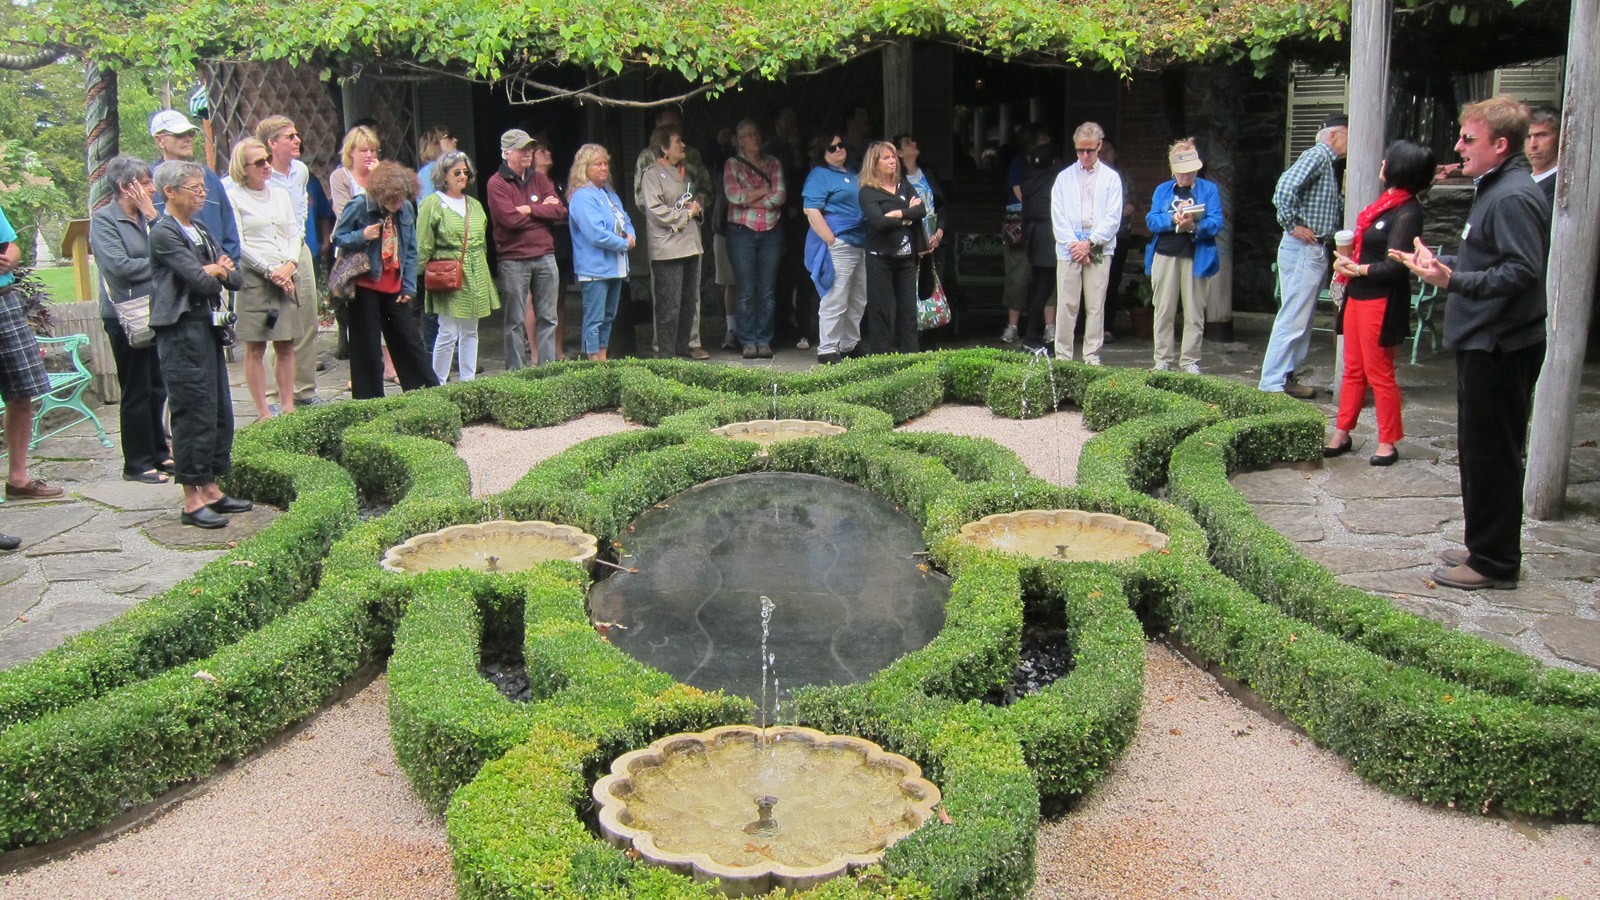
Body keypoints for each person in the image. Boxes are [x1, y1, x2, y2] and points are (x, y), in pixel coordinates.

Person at [1392, 96, 1549, 591]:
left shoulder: (1512, 196)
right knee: (1479, 449)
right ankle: (1485, 543)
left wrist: (1453, 282)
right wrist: (1446, 265)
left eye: (1469, 139)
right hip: (1486, 340)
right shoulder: (1496, 187)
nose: (1458, 147)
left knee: (1493, 453)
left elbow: (1523, 271)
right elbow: (1490, 256)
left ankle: (1496, 561)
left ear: (1501, 145)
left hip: (1500, 344)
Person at [147, 161, 249, 529]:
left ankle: (211, 487)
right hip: (180, 331)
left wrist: (219, 270)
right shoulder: (164, 233)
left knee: (218, 408)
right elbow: (201, 281)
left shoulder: (201, 228)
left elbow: (233, 276)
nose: (202, 194)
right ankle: (191, 499)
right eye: (194, 188)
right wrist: (214, 271)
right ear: (169, 192)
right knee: (192, 411)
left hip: (205, 328)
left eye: (203, 188)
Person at [1323, 140, 1434, 466]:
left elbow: (1396, 265)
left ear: (1400, 168)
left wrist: (1356, 268)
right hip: (1358, 294)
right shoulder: (1385, 204)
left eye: (1388, 160)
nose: (1381, 164)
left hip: (1381, 300)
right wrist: (1346, 262)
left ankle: (1388, 441)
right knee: (1352, 369)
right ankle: (1342, 432)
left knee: (1379, 371)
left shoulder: (1408, 211)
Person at [90, 156, 173, 484]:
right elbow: (119, 266)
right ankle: (137, 463)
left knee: (157, 385)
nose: (152, 188)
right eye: (146, 182)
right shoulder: (104, 221)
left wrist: (155, 221)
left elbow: (173, 243)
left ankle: (160, 452)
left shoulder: (149, 217)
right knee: (136, 388)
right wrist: (160, 263)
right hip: (124, 316)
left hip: (157, 310)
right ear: (127, 187)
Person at [332, 161, 440, 399]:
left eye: (401, 199)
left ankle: (426, 394)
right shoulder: (359, 206)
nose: (397, 204)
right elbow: (338, 237)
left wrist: (410, 285)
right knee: (367, 347)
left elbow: (411, 250)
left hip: (394, 285)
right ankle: (368, 401)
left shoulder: (406, 209)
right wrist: (362, 235)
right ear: (380, 194)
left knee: (409, 341)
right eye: (392, 200)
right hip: (365, 285)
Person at [1260, 114, 1348, 399]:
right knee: (1294, 315)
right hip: (1304, 249)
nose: (1352, 142)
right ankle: (1272, 382)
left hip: (1313, 249)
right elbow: (1285, 188)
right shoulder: (1318, 155)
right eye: (1348, 134)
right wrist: (1292, 225)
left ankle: (1286, 377)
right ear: (1334, 135)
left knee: (1302, 316)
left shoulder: (1328, 163)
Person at [0, 201, 68, 545]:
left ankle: (18, 478)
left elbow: (10, 242)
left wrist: (10, 256)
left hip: (4, 300)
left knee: (22, 392)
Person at [223, 138, 302, 419]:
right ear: (243, 168)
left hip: (286, 275)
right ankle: (262, 410)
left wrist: (291, 264)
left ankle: (288, 406)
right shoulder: (233, 197)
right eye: (259, 162)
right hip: (255, 280)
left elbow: (294, 232)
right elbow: (238, 244)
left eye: (267, 158)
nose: (267, 165)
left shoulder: (280, 194)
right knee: (255, 345)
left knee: (286, 343)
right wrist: (270, 272)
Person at [634, 107, 714, 360]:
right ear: (664, 148)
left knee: (689, 301)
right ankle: (665, 353)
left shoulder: (686, 169)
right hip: (667, 245)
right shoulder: (650, 171)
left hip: (691, 242)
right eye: (677, 141)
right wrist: (684, 215)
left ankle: (685, 348)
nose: (683, 145)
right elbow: (652, 208)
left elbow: (698, 195)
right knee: (669, 303)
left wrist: (697, 207)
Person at [255, 115, 321, 407]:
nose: (297, 140)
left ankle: (305, 391)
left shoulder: (301, 171)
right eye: (290, 136)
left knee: (307, 319)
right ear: (272, 143)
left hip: (300, 247)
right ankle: (273, 396)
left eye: (297, 135)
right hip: (273, 251)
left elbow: (301, 213)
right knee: (277, 322)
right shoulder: (262, 175)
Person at [487, 129, 567, 368]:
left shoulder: (539, 179)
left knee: (548, 317)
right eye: (523, 149)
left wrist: (531, 210)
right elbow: (510, 220)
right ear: (507, 153)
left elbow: (560, 211)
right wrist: (543, 211)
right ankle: (516, 372)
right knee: (514, 319)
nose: (528, 153)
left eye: (530, 149)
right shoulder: (496, 183)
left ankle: (546, 369)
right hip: (513, 258)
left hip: (544, 255)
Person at [1143, 139, 1224, 374]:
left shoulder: (1208, 190)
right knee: (1163, 309)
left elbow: (1216, 221)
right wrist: (1172, 219)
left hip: (1196, 255)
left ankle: (1189, 361)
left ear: (1197, 168)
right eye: (1180, 172)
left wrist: (1193, 227)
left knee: (1195, 310)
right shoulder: (1162, 190)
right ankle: (1162, 360)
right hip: (1165, 253)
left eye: (1189, 171)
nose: (1185, 176)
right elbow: (1151, 220)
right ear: (1172, 170)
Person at [418, 151, 497, 383]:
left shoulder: (474, 205)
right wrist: (419, 274)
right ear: (444, 176)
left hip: (476, 272)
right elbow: (423, 243)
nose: (463, 176)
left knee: (471, 330)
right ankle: (439, 382)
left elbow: (482, 242)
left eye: (465, 171)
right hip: (447, 273)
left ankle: (468, 380)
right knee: (448, 331)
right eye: (457, 172)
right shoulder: (432, 203)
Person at [1049, 121, 1123, 364]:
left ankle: (1091, 354)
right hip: (1069, 246)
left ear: (1100, 146)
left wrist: (1090, 242)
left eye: (1090, 150)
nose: (1085, 155)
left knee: (1095, 303)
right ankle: (1063, 355)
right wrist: (1074, 243)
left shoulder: (1111, 178)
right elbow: (1057, 215)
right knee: (1067, 303)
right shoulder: (1063, 178)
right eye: (1080, 150)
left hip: (1099, 244)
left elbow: (1113, 217)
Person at [802, 131, 868, 365]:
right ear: (823, 153)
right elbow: (811, 210)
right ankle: (828, 348)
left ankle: (849, 344)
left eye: (840, 145)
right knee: (836, 296)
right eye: (832, 148)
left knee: (858, 297)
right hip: (840, 241)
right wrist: (831, 240)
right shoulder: (819, 175)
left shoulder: (851, 173)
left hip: (859, 240)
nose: (838, 150)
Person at [723, 119, 786, 359]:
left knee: (767, 290)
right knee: (746, 288)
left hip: (770, 230)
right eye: (749, 135)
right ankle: (748, 340)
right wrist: (763, 193)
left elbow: (780, 196)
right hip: (742, 231)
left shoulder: (773, 163)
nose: (755, 138)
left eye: (756, 133)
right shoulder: (732, 165)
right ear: (739, 141)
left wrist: (751, 198)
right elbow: (733, 195)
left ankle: (764, 339)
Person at [567, 143, 635, 361]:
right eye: (598, 164)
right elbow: (595, 232)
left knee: (608, 316)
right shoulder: (582, 196)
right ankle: (592, 360)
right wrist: (624, 244)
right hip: (595, 268)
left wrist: (631, 235)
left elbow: (626, 220)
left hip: (615, 266)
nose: (604, 168)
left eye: (606, 163)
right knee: (594, 319)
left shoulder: (610, 194)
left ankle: (602, 358)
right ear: (584, 168)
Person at [858, 139, 926, 354]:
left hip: (906, 257)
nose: (892, 161)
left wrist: (897, 214)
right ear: (874, 163)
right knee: (881, 310)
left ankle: (910, 356)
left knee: (908, 311)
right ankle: (882, 359)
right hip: (880, 257)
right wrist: (907, 215)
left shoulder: (903, 184)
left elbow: (921, 210)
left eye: (893, 157)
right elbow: (877, 222)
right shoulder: (868, 192)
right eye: (886, 158)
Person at [149, 110, 241, 264]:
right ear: (160, 141)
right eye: (179, 134)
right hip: (176, 276)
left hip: (219, 276)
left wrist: (228, 270)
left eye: (191, 133)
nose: (187, 138)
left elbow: (229, 229)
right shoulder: (149, 182)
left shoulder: (209, 177)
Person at [1001, 125, 1048, 343]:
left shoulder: (1052, 165)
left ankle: (1050, 327)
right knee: (1018, 273)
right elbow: (1020, 192)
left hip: (1044, 223)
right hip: (1020, 222)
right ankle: (1012, 326)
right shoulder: (1019, 162)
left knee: (1048, 273)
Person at [1019, 143, 1063, 352]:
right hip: (1049, 236)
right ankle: (1030, 336)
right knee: (1044, 288)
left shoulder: (1028, 179)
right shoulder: (1054, 179)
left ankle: (1031, 334)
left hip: (1033, 234)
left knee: (1038, 286)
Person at [1099, 137, 1137, 341]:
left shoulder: (1123, 176)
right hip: (1094, 239)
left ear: (1115, 154)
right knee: (1095, 282)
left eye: (1108, 151)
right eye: (1100, 151)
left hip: (1119, 236)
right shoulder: (1091, 176)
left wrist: (1131, 205)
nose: (1104, 155)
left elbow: (1132, 198)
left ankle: (1107, 326)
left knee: (1112, 281)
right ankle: (1090, 326)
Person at [328, 125, 381, 219]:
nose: (369, 155)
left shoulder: (382, 172)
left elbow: (390, 205)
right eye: (364, 150)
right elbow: (345, 215)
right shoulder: (339, 176)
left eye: (372, 150)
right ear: (351, 152)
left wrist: (378, 177)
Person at [1526, 106, 1560, 203]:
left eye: (1541, 135)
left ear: (1559, 138)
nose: (1533, 145)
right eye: (1528, 137)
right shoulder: (1518, 180)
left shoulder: (1562, 186)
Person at [415, 127, 457, 196]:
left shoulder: (451, 170)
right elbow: (428, 204)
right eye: (449, 137)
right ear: (434, 143)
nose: (455, 140)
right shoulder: (428, 172)